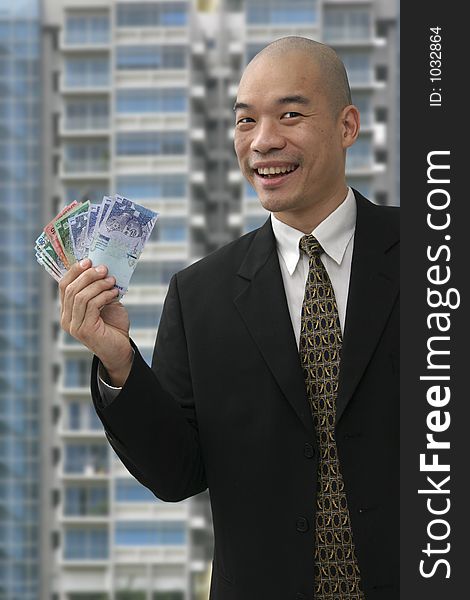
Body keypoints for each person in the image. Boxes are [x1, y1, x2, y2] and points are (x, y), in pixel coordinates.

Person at [60, 37, 399, 600]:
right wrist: (118, 358)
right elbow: (177, 474)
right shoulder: (199, 295)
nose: (264, 141)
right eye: (246, 121)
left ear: (346, 125)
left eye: (290, 114)